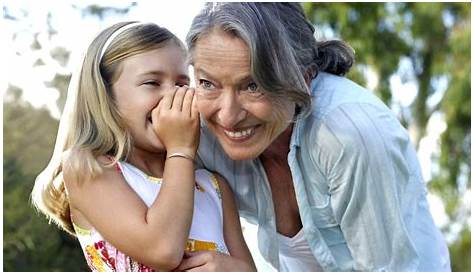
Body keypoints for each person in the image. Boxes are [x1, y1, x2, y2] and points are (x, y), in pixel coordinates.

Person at [184, 2, 451, 271]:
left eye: (254, 85)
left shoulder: (348, 135)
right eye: (207, 83)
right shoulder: (198, 133)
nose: (228, 116)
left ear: (305, 76)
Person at [31, 21, 256, 272]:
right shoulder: (88, 167)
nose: (172, 96)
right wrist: (180, 149)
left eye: (182, 84)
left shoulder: (214, 187)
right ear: (107, 97)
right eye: (152, 83)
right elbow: (163, 249)